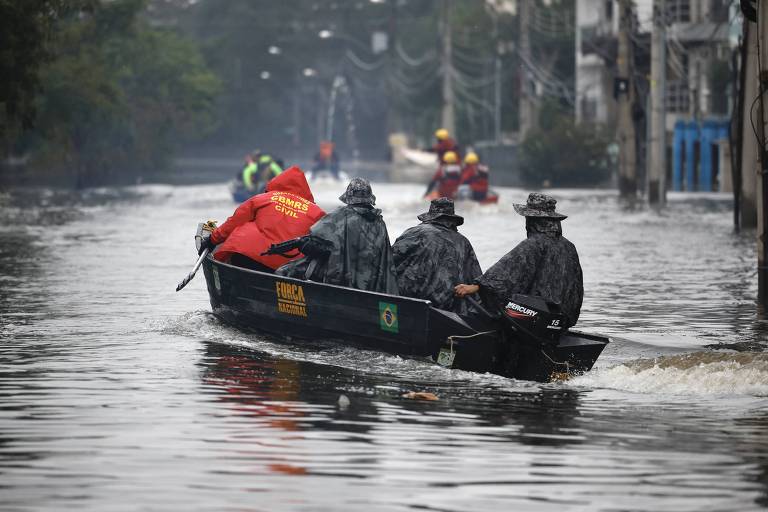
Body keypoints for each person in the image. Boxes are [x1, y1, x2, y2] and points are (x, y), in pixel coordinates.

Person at [454, 192, 583, 327]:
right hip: (563, 318)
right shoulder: (569, 246)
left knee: (482, 308)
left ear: (533, 220)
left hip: (537, 317)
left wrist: (475, 287)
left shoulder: (534, 243)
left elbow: (505, 274)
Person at [276, 178, 398, 294]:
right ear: (369, 198)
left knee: (284, 272)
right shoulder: (380, 223)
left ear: (349, 197)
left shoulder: (340, 216)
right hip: (371, 286)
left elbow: (317, 247)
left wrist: (301, 243)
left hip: (339, 282)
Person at [199, 166, 326, 272]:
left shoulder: (262, 199)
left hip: (247, 257)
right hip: (289, 269)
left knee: (244, 228)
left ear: (278, 182)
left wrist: (212, 240)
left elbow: (233, 222)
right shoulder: (317, 212)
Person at [392, 198, 482, 315]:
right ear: (452, 219)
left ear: (431, 216)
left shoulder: (415, 232)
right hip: (448, 310)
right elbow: (477, 280)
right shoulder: (463, 242)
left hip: (411, 302)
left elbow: (390, 261)